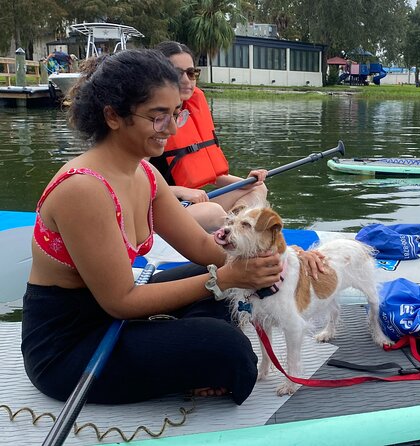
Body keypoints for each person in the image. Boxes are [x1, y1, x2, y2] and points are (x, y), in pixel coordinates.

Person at [21, 49, 323, 405]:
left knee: (215, 278)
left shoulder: (145, 173)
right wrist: (226, 279)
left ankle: (176, 352)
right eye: (159, 116)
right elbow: (121, 301)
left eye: (176, 113)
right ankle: (190, 358)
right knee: (229, 348)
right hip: (68, 346)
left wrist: (287, 257)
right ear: (113, 116)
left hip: (110, 314)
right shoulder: (84, 189)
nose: (174, 128)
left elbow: (205, 249)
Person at [150, 41, 268, 233]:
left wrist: (247, 181)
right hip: (158, 207)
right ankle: (233, 234)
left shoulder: (190, 111)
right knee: (212, 212)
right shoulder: (148, 119)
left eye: (191, 73)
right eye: (177, 73)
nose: (187, 80)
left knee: (258, 189)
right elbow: (132, 183)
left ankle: (233, 233)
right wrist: (181, 191)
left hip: (188, 203)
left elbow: (209, 174)